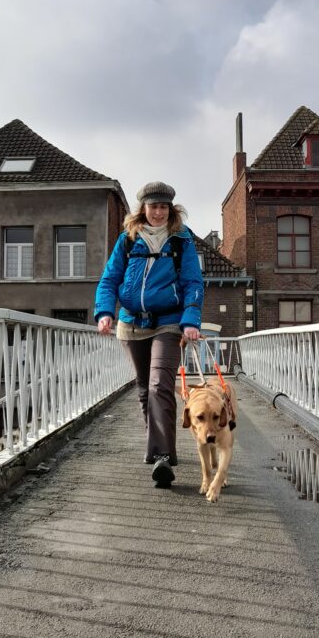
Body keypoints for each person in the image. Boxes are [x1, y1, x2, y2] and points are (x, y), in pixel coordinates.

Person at [94, 181, 204, 488]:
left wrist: (191, 319)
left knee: (160, 387)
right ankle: (155, 447)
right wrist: (104, 312)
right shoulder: (128, 240)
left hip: (168, 323)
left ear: (171, 209)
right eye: (153, 206)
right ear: (143, 209)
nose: (158, 212)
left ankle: (162, 458)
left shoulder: (182, 240)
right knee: (144, 388)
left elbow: (193, 282)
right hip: (131, 324)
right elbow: (109, 279)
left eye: (164, 207)